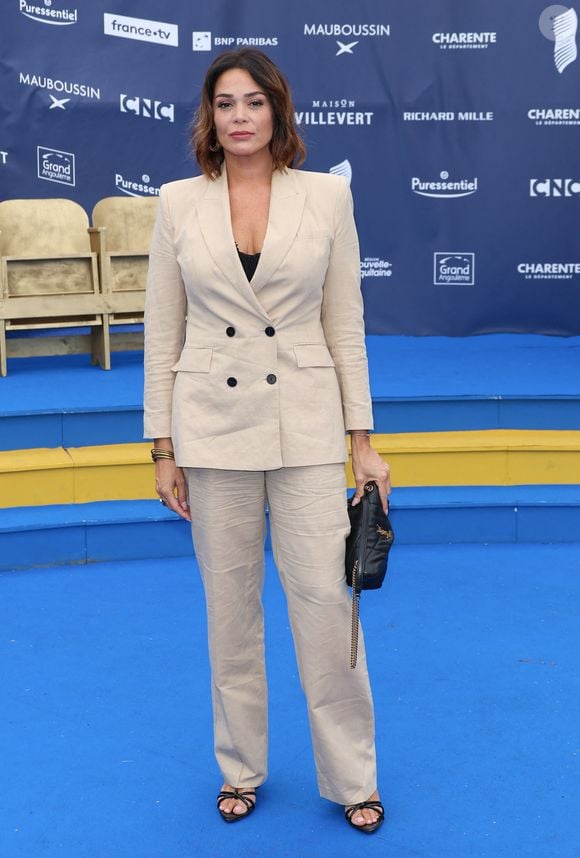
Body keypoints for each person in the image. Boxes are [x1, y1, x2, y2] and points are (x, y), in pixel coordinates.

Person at [143, 48, 391, 833]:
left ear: (279, 112)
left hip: (309, 427)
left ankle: (353, 777)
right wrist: (162, 446)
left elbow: (344, 322)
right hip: (211, 431)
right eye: (225, 104)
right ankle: (240, 768)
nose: (240, 116)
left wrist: (364, 440)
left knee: (327, 609)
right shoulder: (178, 202)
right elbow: (162, 330)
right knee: (230, 613)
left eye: (254, 102)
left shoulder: (328, 197)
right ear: (208, 118)